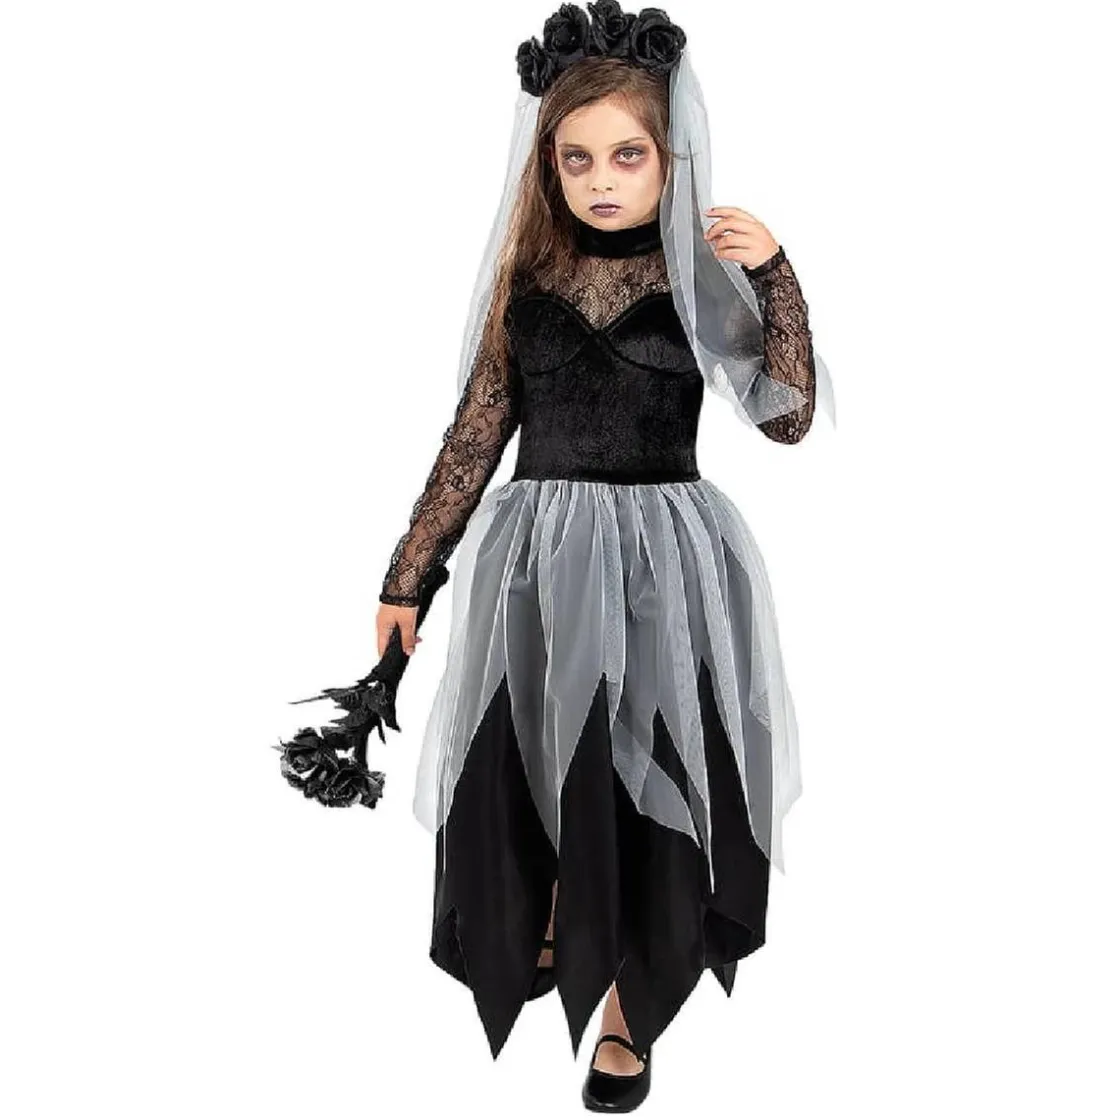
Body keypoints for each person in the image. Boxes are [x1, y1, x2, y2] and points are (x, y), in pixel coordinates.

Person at [375, 3, 834, 1111]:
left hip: (665, 568)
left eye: (627, 155)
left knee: (654, 771)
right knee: (533, 755)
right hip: (536, 567)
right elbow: (475, 434)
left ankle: (630, 1003)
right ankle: (547, 915)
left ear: (669, 157)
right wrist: (407, 572)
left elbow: (785, 417)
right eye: (576, 158)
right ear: (548, 164)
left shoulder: (696, 282)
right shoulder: (528, 284)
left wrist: (774, 272)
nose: (602, 180)